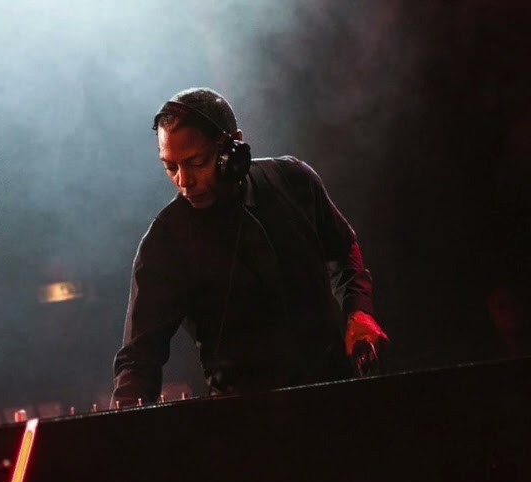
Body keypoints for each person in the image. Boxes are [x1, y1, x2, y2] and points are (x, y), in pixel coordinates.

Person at [111, 87, 389, 406]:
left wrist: (359, 313)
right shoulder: (164, 244)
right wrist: (124, 421)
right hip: (246, 424)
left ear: (233, 146)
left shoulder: (294, 180)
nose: (184, 181)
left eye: (196, 162)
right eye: (170, 167)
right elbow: (138, 359)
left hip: (337, 394)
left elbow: (344, 250)